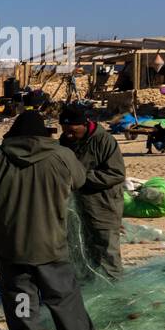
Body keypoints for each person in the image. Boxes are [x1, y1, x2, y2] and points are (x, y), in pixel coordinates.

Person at [0, 111, 112, 330]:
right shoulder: (62, 155)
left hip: (11, 243)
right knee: (63, 296)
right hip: (50, 241)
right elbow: (79, 180)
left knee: (19, 295)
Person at [58, 102, 126, 281]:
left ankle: (113, 289)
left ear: (84, 124)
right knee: (80, 248)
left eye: (72, 129)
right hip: (76, 206)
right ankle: (86, 286)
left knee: (106, 250)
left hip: (103, 205)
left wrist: (81, 178)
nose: (68, 133)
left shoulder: (104, 141)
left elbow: (116, 173)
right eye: (64, 128)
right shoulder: (65, 141)